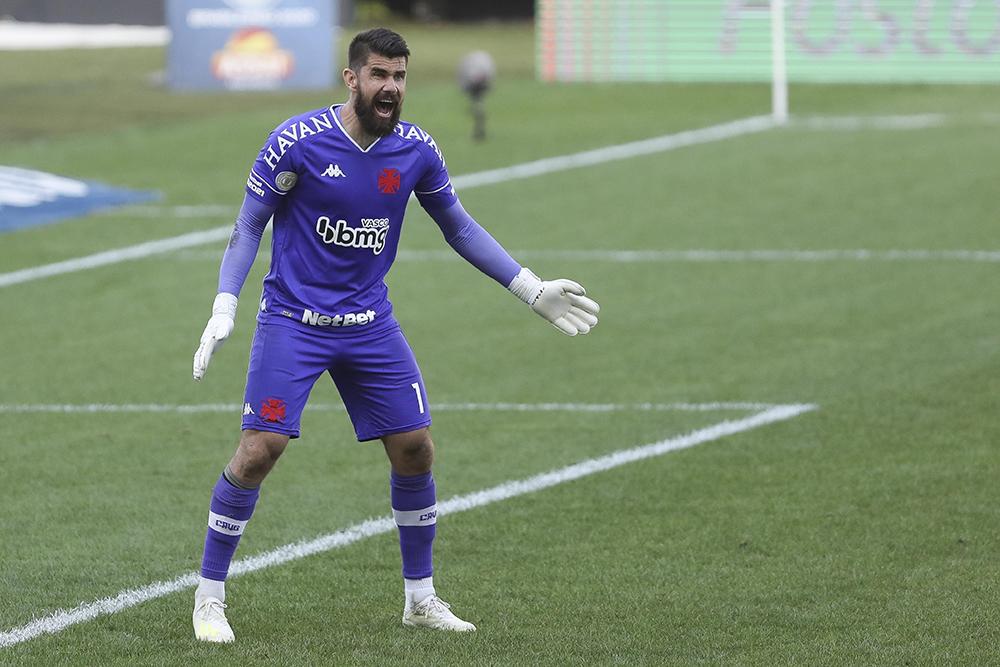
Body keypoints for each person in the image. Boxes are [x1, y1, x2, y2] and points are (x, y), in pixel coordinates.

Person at [189, 27, 600, 643]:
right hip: (293, 322)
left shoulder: (415, 150)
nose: (391, 88)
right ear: (352, 78)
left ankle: (420, 598)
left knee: (416, 449)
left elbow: (458, 226)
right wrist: (225, 304)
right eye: (379, 75)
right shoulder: (294, 142)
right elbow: (249, 225)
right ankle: (209, 597)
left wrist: (529, 288)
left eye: (400, 77)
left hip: (369, 325)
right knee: (258, 452)